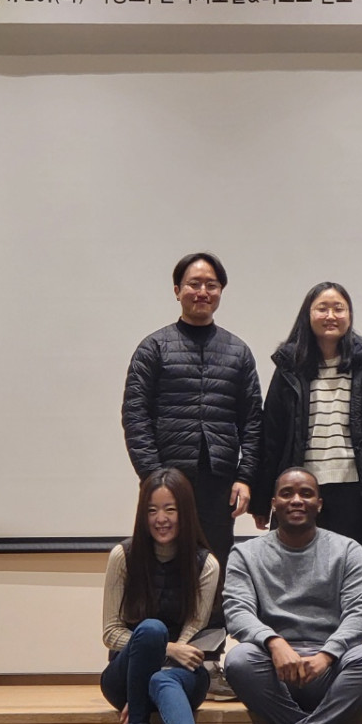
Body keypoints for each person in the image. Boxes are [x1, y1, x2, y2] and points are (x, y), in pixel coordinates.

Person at [122, 251, 263, 690]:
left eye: (211, 285)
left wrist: (245, 476)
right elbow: (135, 417)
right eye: (194, 283)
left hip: (219, 482)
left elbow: (253, 421)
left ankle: (209, 662)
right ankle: (158, 655)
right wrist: (153, 480)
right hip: (167, 483)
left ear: (221, 292)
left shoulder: (238, 351)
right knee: (161, 569)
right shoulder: (154, 347)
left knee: (214, 571)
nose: (202, 291)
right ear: (177, 290)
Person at [224, 469, 362, 724]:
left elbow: (358, 614)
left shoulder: (348, 550)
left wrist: (327, 655)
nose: (296, 500)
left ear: (319, 503)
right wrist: (274, 643)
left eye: (306, 494)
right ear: (274, 503)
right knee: (239, 660)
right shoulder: (245, 554)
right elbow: (237, 611)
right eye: (287, 493)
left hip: (328, 669)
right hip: (274, 669)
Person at [255, 282, 362, 568]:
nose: (331, 316)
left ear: (349, 315)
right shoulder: (290, 365)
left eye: (338, 309)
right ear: (308, 315)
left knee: (353, 567)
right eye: (322, 308)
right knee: (298, 569)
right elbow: (272, 434)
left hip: (356, 489)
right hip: (303, 489)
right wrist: (260, 500)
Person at [101, 469, 220, 724]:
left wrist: (147, 683)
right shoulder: (123, 556)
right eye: (152, 510)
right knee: (152, 630)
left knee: (161, 679)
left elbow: (194, 628)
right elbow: (110, 632)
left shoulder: (206, 564)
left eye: (170, 509)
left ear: (185, 512)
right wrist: (167, 649)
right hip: (124, 674)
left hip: (179, 675)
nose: (160, 519)